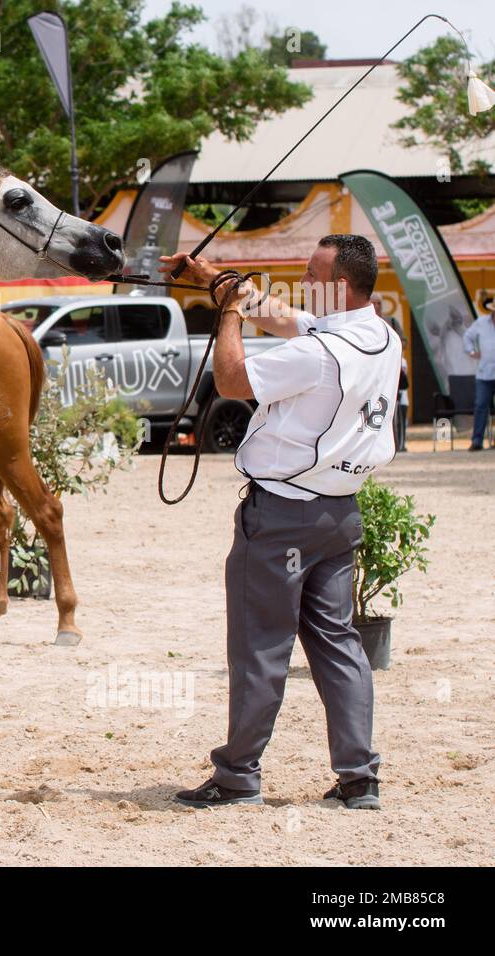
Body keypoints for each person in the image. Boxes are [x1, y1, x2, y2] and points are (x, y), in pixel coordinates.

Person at [160, 235, 402, 811]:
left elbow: (233, 380)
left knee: (260, 645)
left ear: (338, 286)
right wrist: (210, 277)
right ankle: (358, 777)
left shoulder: (320, 353)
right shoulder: (378, 335)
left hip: (283, 516)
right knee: (339, 644)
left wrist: (229, 313)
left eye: (311, 272)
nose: (301, 278)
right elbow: (288, 316)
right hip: (338, 515)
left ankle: (239, 774)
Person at [370, 293, 409, 453]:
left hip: (390, 370)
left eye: (379, 303)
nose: (376, 306)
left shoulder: (390, 322)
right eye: (374, 303)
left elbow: (404, 342)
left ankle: (399, 443)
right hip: (371, 371)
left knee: (396, 407)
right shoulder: (363, 322)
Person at [462, 296, 495, 451]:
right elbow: (467, 337)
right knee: (481, 406)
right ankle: (477, 441)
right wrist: (472, 351)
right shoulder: (481, 323)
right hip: (484, 374)